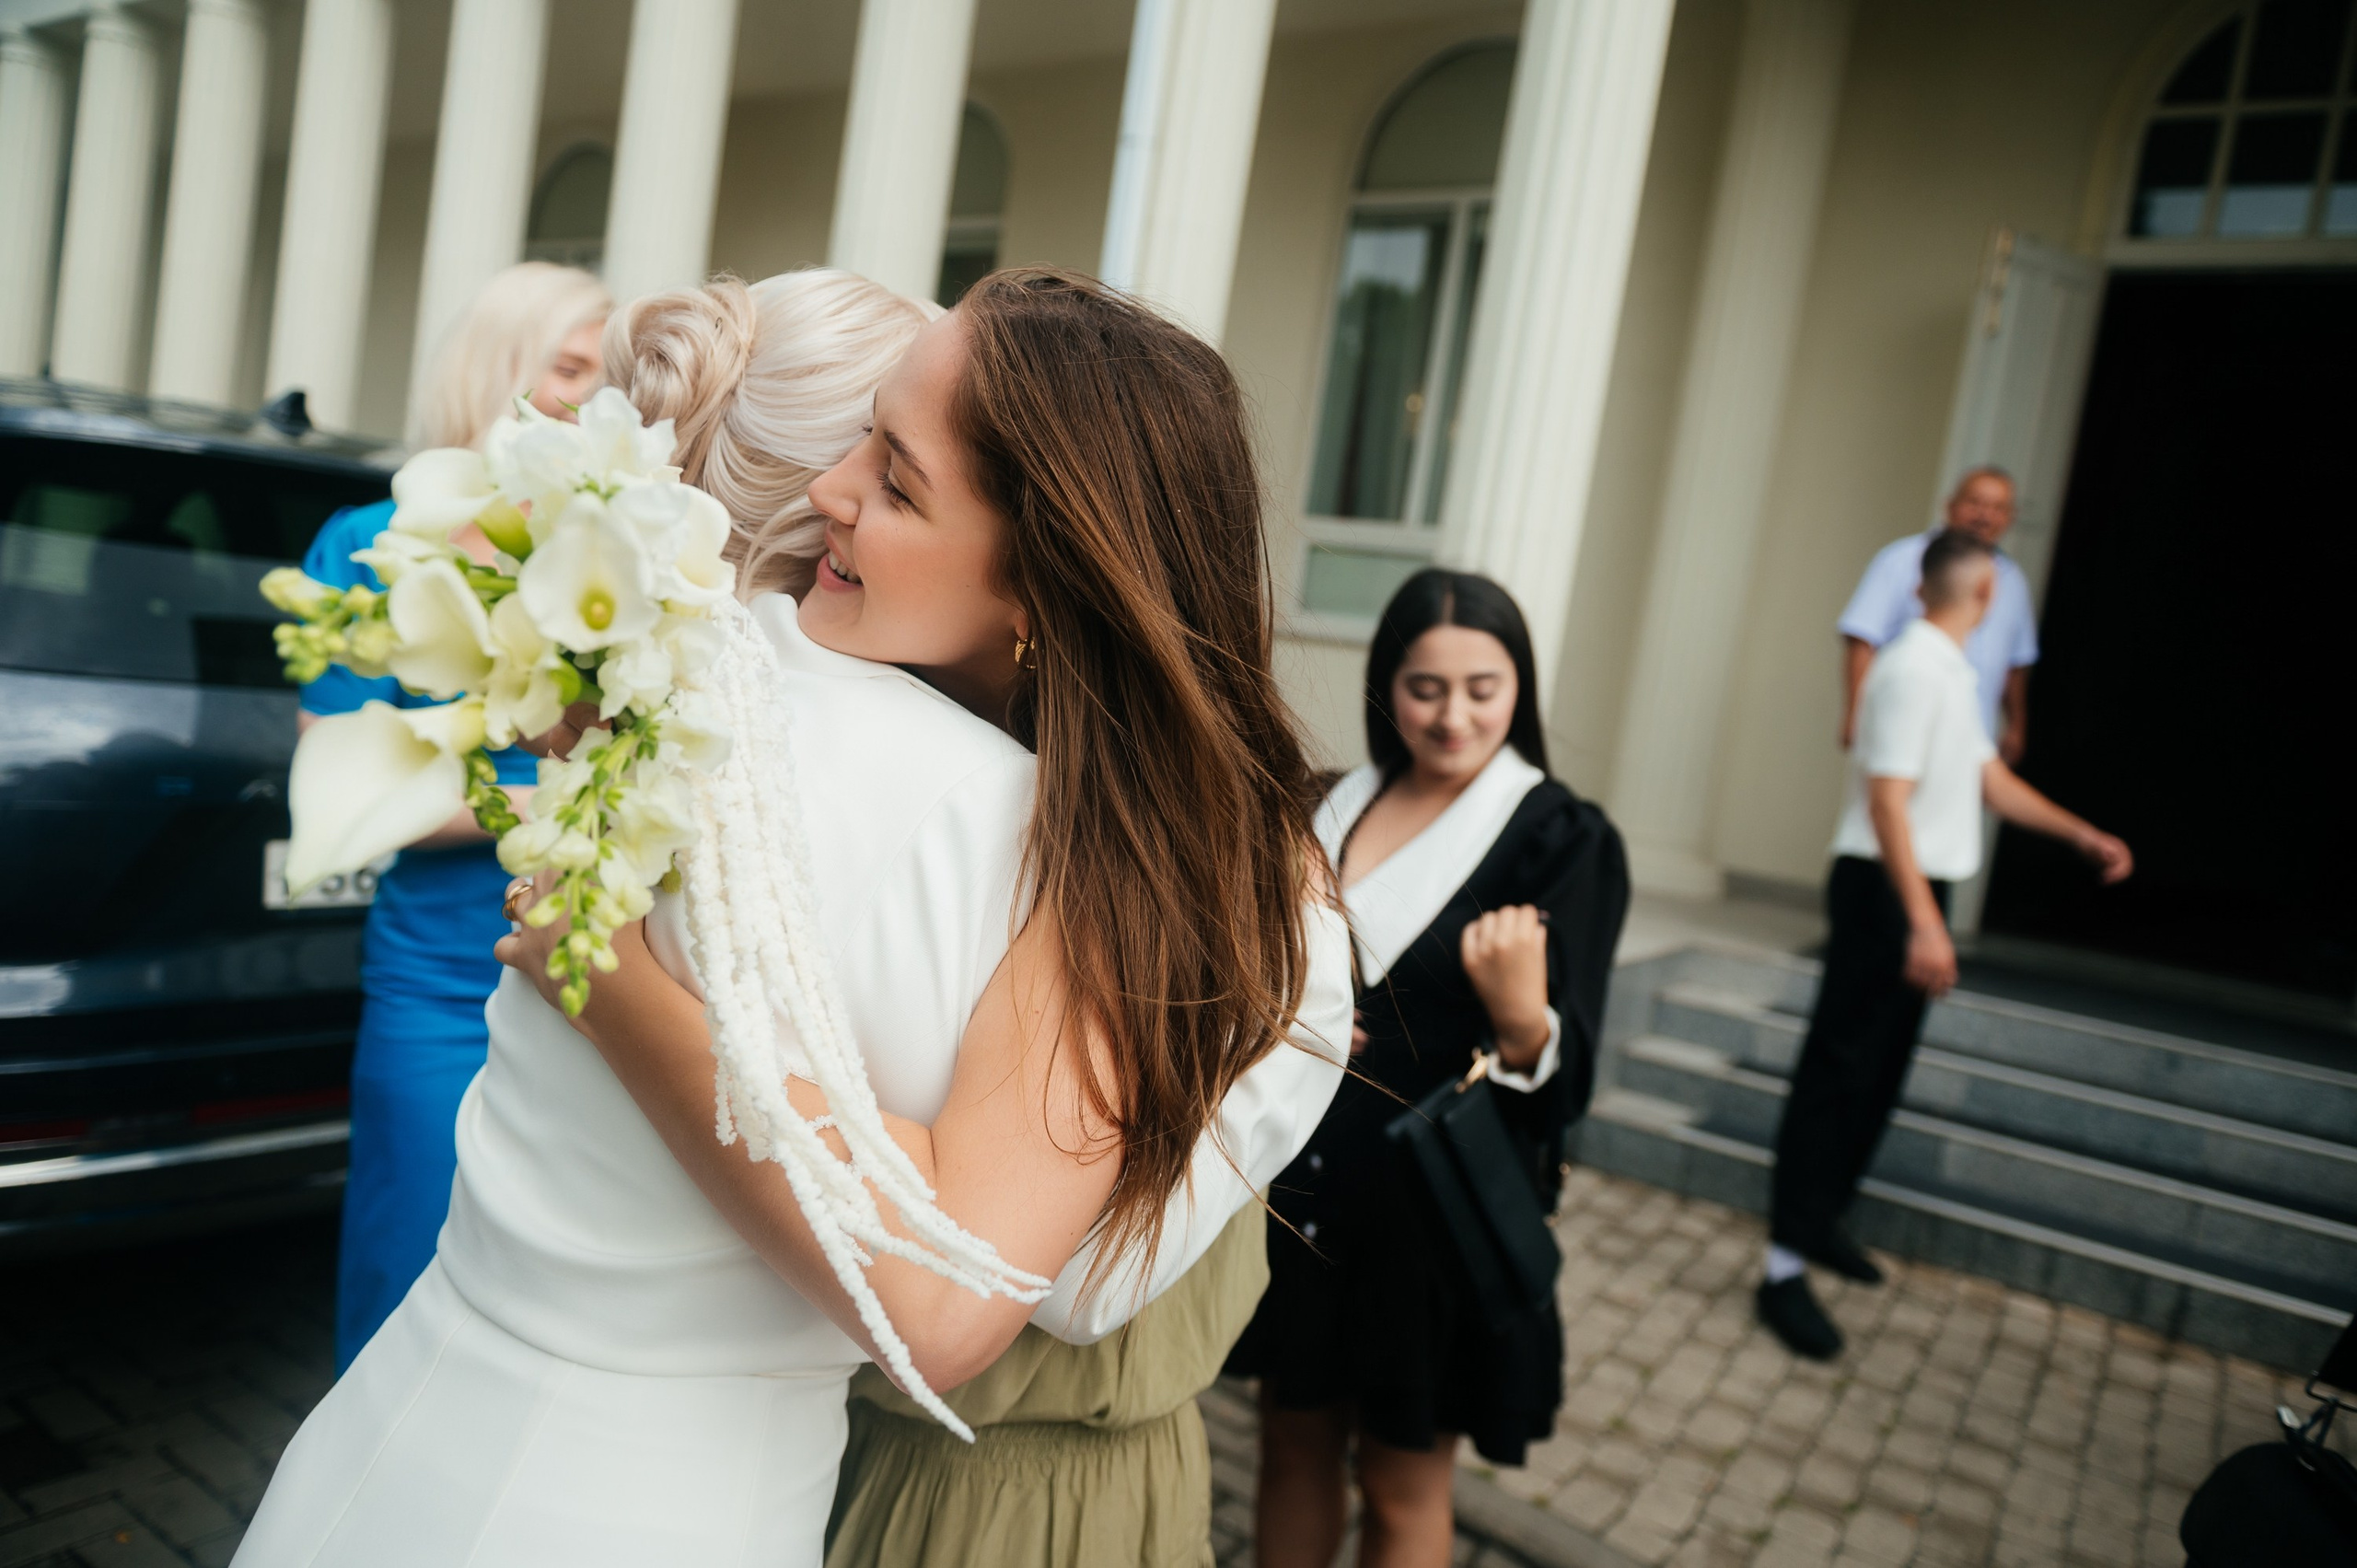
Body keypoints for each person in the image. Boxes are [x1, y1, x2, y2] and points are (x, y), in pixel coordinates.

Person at [230, 268, 1351, 1568]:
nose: (835, 482)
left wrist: (607, 982)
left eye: (896, 476)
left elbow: (1040, 1283)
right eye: (862, 433)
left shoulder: (1147, 873)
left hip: (962, 1483)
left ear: (1049, 579)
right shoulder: (705, 692)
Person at [1227, 568, 1630, 1568]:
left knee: (1402, 1478)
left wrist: (1522, 1015)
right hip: (1299, 1187)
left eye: (1482, 689)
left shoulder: (1558, 836)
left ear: (1519, 690)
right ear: (1386, 687)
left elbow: (1562, 1076)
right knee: (1288, 1440)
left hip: (1423, 1217)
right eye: (1424, 688)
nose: (1453, 718)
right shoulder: (1328, 805)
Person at [300, 261, 609, 1371]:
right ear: (498, 364)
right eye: (568, 364)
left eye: (602, 371)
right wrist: (550, 794)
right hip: (438, 980)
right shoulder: (371, 541)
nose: (588, 393)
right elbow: (347, 777)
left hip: (595, 975)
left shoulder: (601, 541)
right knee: (403, 1278)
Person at [1759, 529, 2132, 1361]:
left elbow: (1985, 778)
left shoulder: (1953, 671)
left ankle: (1820, 1225)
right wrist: (1925, 921)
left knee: (1878, 1071)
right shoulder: (1909, 668)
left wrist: (2080, 832)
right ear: (1986, 594)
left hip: (1915, 887)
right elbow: (1887, 803)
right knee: (1837, 1072)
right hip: (1883, 890)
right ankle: (1780, 1268)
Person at [1839, 466, 2038, 762]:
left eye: (1997, 508)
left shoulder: (2013, 579)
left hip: (1971, 736)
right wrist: (1856, 712)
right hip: (1905, 725)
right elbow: (1862, 638)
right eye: (1975, 503)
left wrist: (2016, 726)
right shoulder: (1903, 559)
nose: (1984, 516)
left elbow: (2016, 663)